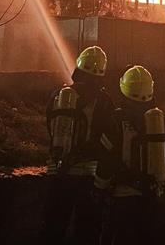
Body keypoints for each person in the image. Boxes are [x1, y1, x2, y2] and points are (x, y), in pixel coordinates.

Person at [42, 45, 116, 244]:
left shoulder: (59, 95)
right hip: (88, 175)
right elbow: (110, 138)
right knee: (88, 229)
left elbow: (50, 125)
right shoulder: (104, 101)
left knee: (53, 225)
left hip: (59, 170)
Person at [98, 65, 165, 245]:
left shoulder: (116, 120)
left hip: (123, 200)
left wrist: (98, 187)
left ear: (124, 89)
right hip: (153, 199)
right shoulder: (160, 122)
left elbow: (106, 160)